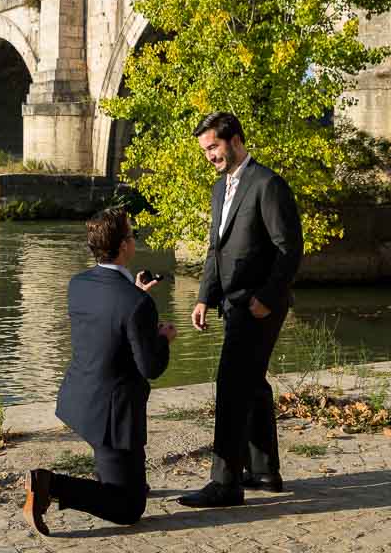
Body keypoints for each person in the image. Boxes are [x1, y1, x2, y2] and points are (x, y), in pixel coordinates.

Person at [23, 207, 176, 535]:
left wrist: (136, 298)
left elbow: (107, 322)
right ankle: (47, 484)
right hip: (113, 417)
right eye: (133, 235)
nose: (135, 241)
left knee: (133, 483)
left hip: (82, 398)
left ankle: (116, 479)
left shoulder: (79, 284)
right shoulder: (136, 304)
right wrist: (161, 337)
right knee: (128, 507)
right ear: (123, 246)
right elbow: (151, 367)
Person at [177, 112, 303, 509]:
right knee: (253, 384)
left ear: (235, 140)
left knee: (231, 387)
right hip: (232, 303)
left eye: (213, 147)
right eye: (205, 150)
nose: (209, 156)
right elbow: (217, 250)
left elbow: (289, 248)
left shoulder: (268, 184)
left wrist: (266, 297)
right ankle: (264, 471)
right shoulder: (221, 188)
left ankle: (225, 483)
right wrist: (203, 297)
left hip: (258, 306)